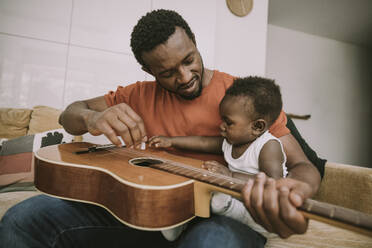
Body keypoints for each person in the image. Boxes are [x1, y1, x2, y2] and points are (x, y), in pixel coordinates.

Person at [0, 9, 324, 248]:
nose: (184, 77)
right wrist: (91, 119)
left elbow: (302, 166)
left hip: (221, 213)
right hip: (145, 211)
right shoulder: (137, 94)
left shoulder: (244, 98)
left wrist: (290, 191)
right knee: (22, 220)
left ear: (195, 43)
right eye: (167, 72)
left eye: (189, 59)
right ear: (147, 69)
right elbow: (70, 114)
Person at [148, 76, 288, 239]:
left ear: (257, 127)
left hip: (264, 213)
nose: (221, 126)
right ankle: (180, 220)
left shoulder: (268, 146)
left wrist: (230, 176)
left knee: (218, 199)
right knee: (199, 189)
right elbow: (202, 142)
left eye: (228, 123)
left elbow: (273, 183)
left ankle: (223, 207)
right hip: (236, 198)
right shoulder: (231, 141)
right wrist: (171, 141)